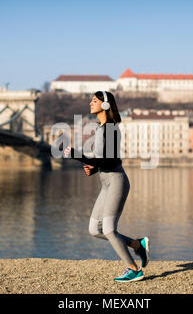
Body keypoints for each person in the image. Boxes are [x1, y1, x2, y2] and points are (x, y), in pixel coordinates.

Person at [63, 91, 150, 282]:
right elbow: (108, 160)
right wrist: (94, 168)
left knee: (109, 229)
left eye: (94, 101)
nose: (90, 103)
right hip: (106, 184)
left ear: (105, 105)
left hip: (117, 181)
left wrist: (79, 156)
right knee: (95, 229)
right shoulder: (101, 129)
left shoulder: (110, 128)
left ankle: (133, 269)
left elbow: (111, 162)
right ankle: (137, 245)